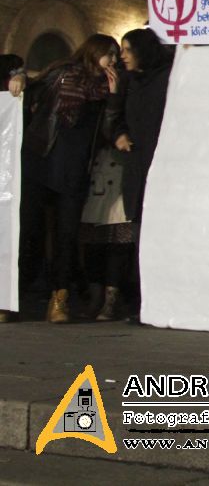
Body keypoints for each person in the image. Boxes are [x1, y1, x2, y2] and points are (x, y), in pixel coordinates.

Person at [18, 34, 118, 323]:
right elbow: (29, 88)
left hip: (75, 168)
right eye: (108, 53)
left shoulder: (108, 88)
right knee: (29, 230)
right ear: (93, 51)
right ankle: (13, 295)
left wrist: (113, 95)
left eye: (115, 54)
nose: (112, 60)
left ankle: (59, 297)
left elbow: (108, 129)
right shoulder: (62, 73)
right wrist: (17, 76)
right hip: (42, 159)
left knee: (66, 234)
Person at [94, 28, 173, 321]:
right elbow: (115, 122)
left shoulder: (168, 78)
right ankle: (144, 303)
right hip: (137, 168)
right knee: (141, 236)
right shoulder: (128, 82)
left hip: (163, 166)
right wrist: (120, 134)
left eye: (127, 49)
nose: (122, 55)